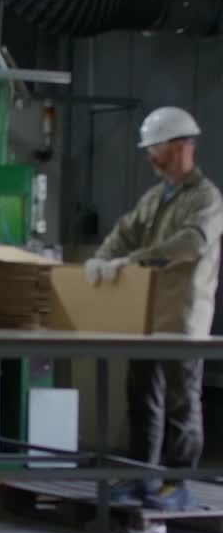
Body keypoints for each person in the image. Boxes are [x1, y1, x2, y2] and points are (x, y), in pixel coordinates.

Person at [85, 106, 223, 511]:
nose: (149, 156)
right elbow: (123, 233)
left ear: (181, 146)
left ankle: (175, 481)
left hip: (181, 318)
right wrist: (103, 258)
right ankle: (139, 473)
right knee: (141, 396)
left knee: (182, 400)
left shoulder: (206, 199)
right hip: (143, 317)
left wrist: (135, 261)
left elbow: (192, 244)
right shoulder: (154, 197)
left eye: (155, 147)